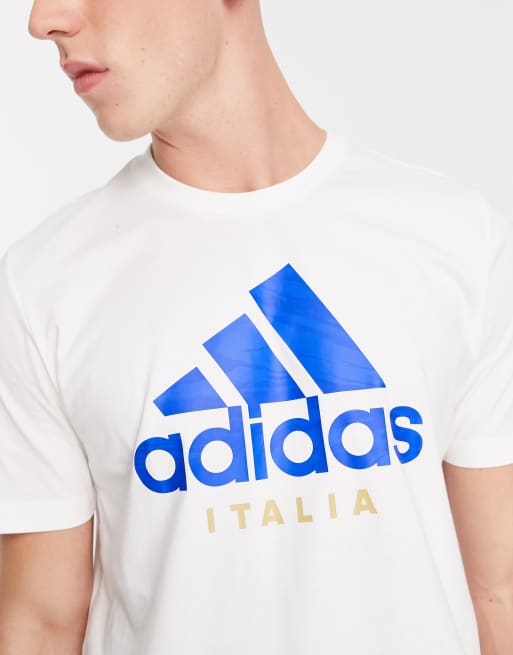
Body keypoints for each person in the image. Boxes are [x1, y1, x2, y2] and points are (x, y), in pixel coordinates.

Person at [0, 0, 512, 653]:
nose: (43, 19)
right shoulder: (42, 283)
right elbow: (41, 624)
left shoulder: (455, 237)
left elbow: (497, 587)